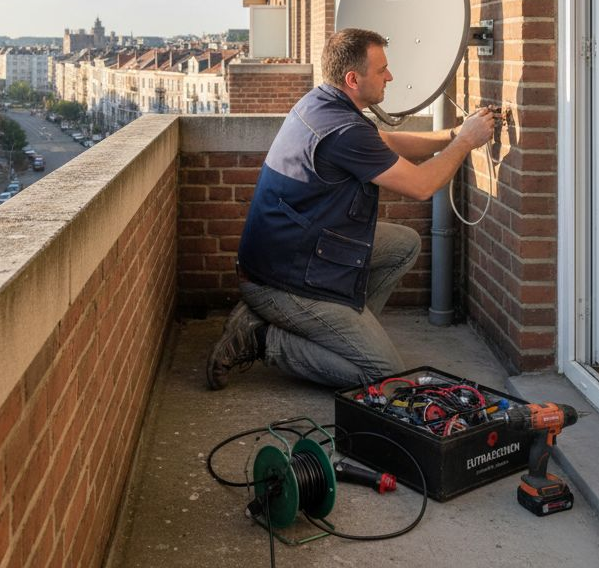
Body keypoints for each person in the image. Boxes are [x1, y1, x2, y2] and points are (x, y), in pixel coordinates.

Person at [206, 28, 499, 390]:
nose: (390, 77)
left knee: (403, 244)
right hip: (283, 281)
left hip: (295, 255)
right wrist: (468, 142)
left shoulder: (322, 103)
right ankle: (261, 338)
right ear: (352, 78)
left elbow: (387, 141)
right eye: (382, 71)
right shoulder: (343, 131)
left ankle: (345, 334)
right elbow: (422, 186)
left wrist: (453, 135)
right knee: (382, 377)